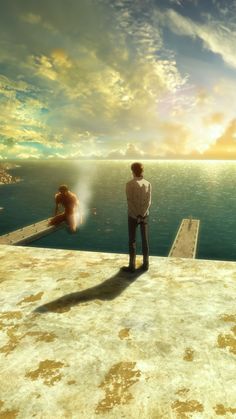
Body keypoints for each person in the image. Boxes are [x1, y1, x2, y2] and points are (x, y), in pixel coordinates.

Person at [122, 162, 152, 273]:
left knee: (132, 241)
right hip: (145, 216)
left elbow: (130, 202)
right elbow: (149, 201)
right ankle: (146, 264)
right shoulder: (148, 183)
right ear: (142, 171)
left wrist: (137, 215)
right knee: (145, 240)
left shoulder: (129, 184)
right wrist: (142, 214)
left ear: (132, 171)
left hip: (133, 216)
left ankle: (132, 265)